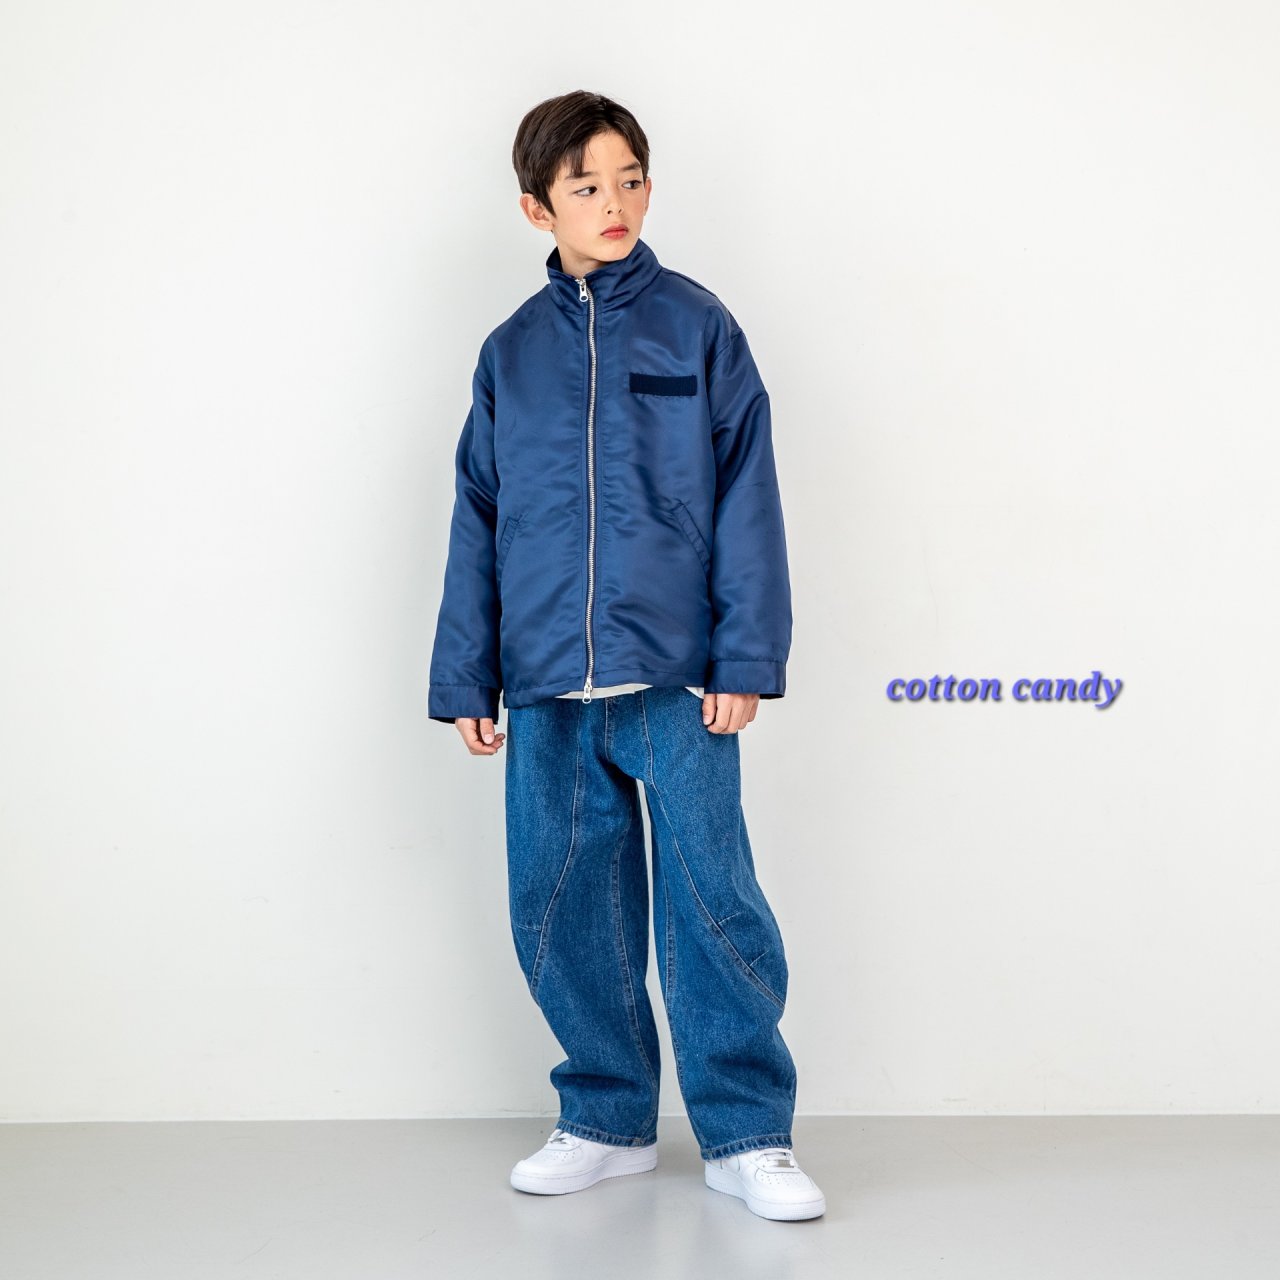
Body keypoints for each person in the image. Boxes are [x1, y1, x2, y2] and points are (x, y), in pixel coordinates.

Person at [427, 90, 825, 1222]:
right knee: (561, 901)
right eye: (586, 186)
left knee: (712, 900)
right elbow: (478, 514)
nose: (615, 203)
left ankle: (746, 1131)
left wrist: (743, 656)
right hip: (545, 677)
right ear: (536, 207)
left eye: (631, 179)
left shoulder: (697, 326)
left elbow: (747, 497)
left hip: (677, 675)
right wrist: (467, 675)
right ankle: (605, 1119)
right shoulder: (511, 352)